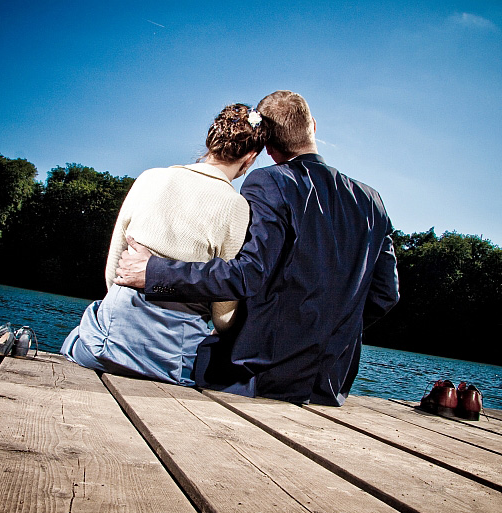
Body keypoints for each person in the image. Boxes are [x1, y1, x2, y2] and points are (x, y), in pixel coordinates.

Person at [115, 90, 400, 406]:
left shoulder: (269, 183)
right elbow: (386, 294)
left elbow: (247, 275)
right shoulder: (372, 200)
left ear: (267, 147)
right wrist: (329, 333)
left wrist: (153, 270)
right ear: (313, 127)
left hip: (259, 376)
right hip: (330, 383)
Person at [60, 103, 266, 385]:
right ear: (250, 157)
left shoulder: (150, 178)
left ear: (211, 140)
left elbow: (113, 272)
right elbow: (223, 315)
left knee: (76, 340)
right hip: (169, 357)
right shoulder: (237, 206)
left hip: (107, 341)